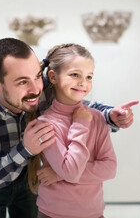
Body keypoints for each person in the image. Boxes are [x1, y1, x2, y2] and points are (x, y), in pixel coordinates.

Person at [0, 38, 138, 218]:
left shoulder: (46, 85)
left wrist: (111, 116)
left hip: (32, 176)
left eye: (37, 76)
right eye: (22, 82)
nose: (36, 88)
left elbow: (81, 106)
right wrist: (26, 149)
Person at [35, 43, 118, 218]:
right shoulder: (44, 124)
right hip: (53, 213)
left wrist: (58, 175)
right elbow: (71, 172)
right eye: (75, 75)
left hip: (94, 213)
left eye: (89, 77)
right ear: (53, 77)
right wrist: (80, 125)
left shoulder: (96, 118)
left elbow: (110, 168)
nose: (83, 83)